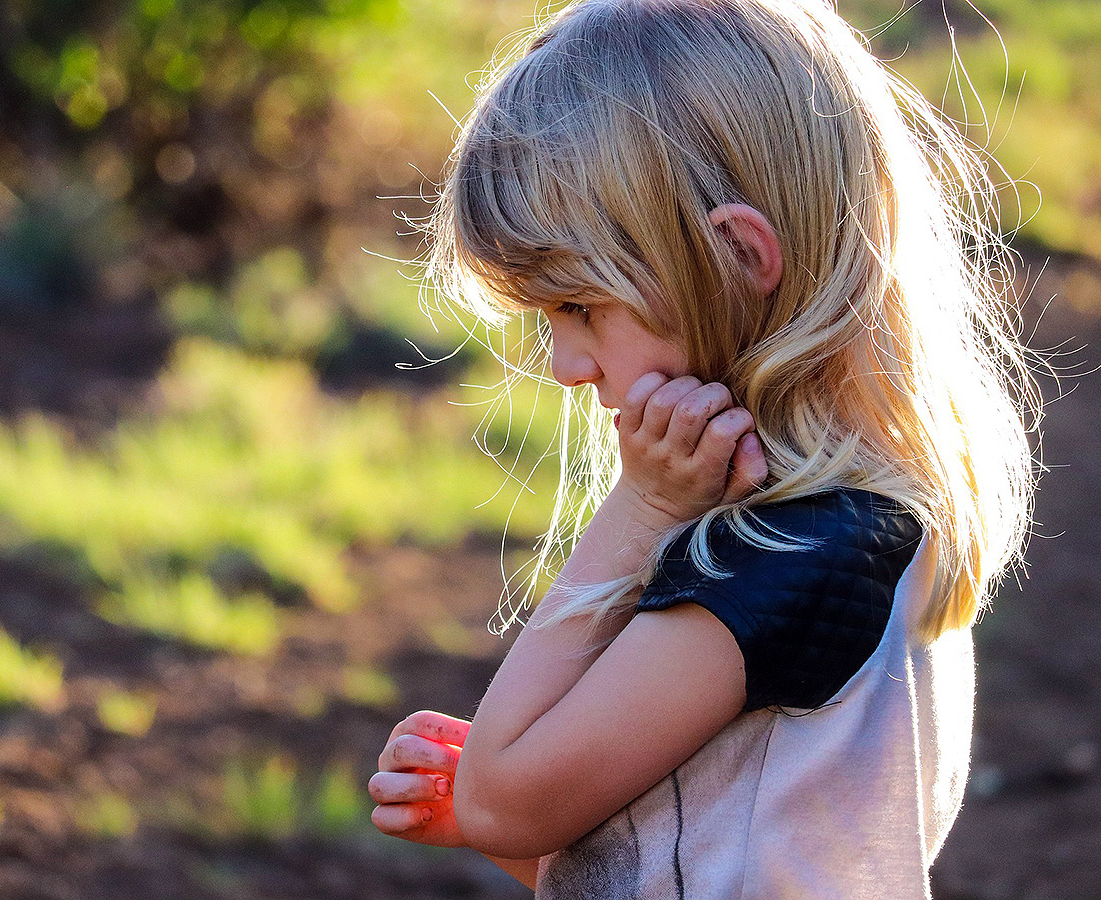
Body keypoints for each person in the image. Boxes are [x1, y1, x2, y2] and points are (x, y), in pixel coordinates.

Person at [367, 0, 1040, 897]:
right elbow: (691, 845)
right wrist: (497, 818)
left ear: (734, 256)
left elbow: (508, 800)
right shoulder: (840, 531)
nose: (568, 365)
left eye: (578, 307)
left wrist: (636, 512)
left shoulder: (789, 561)